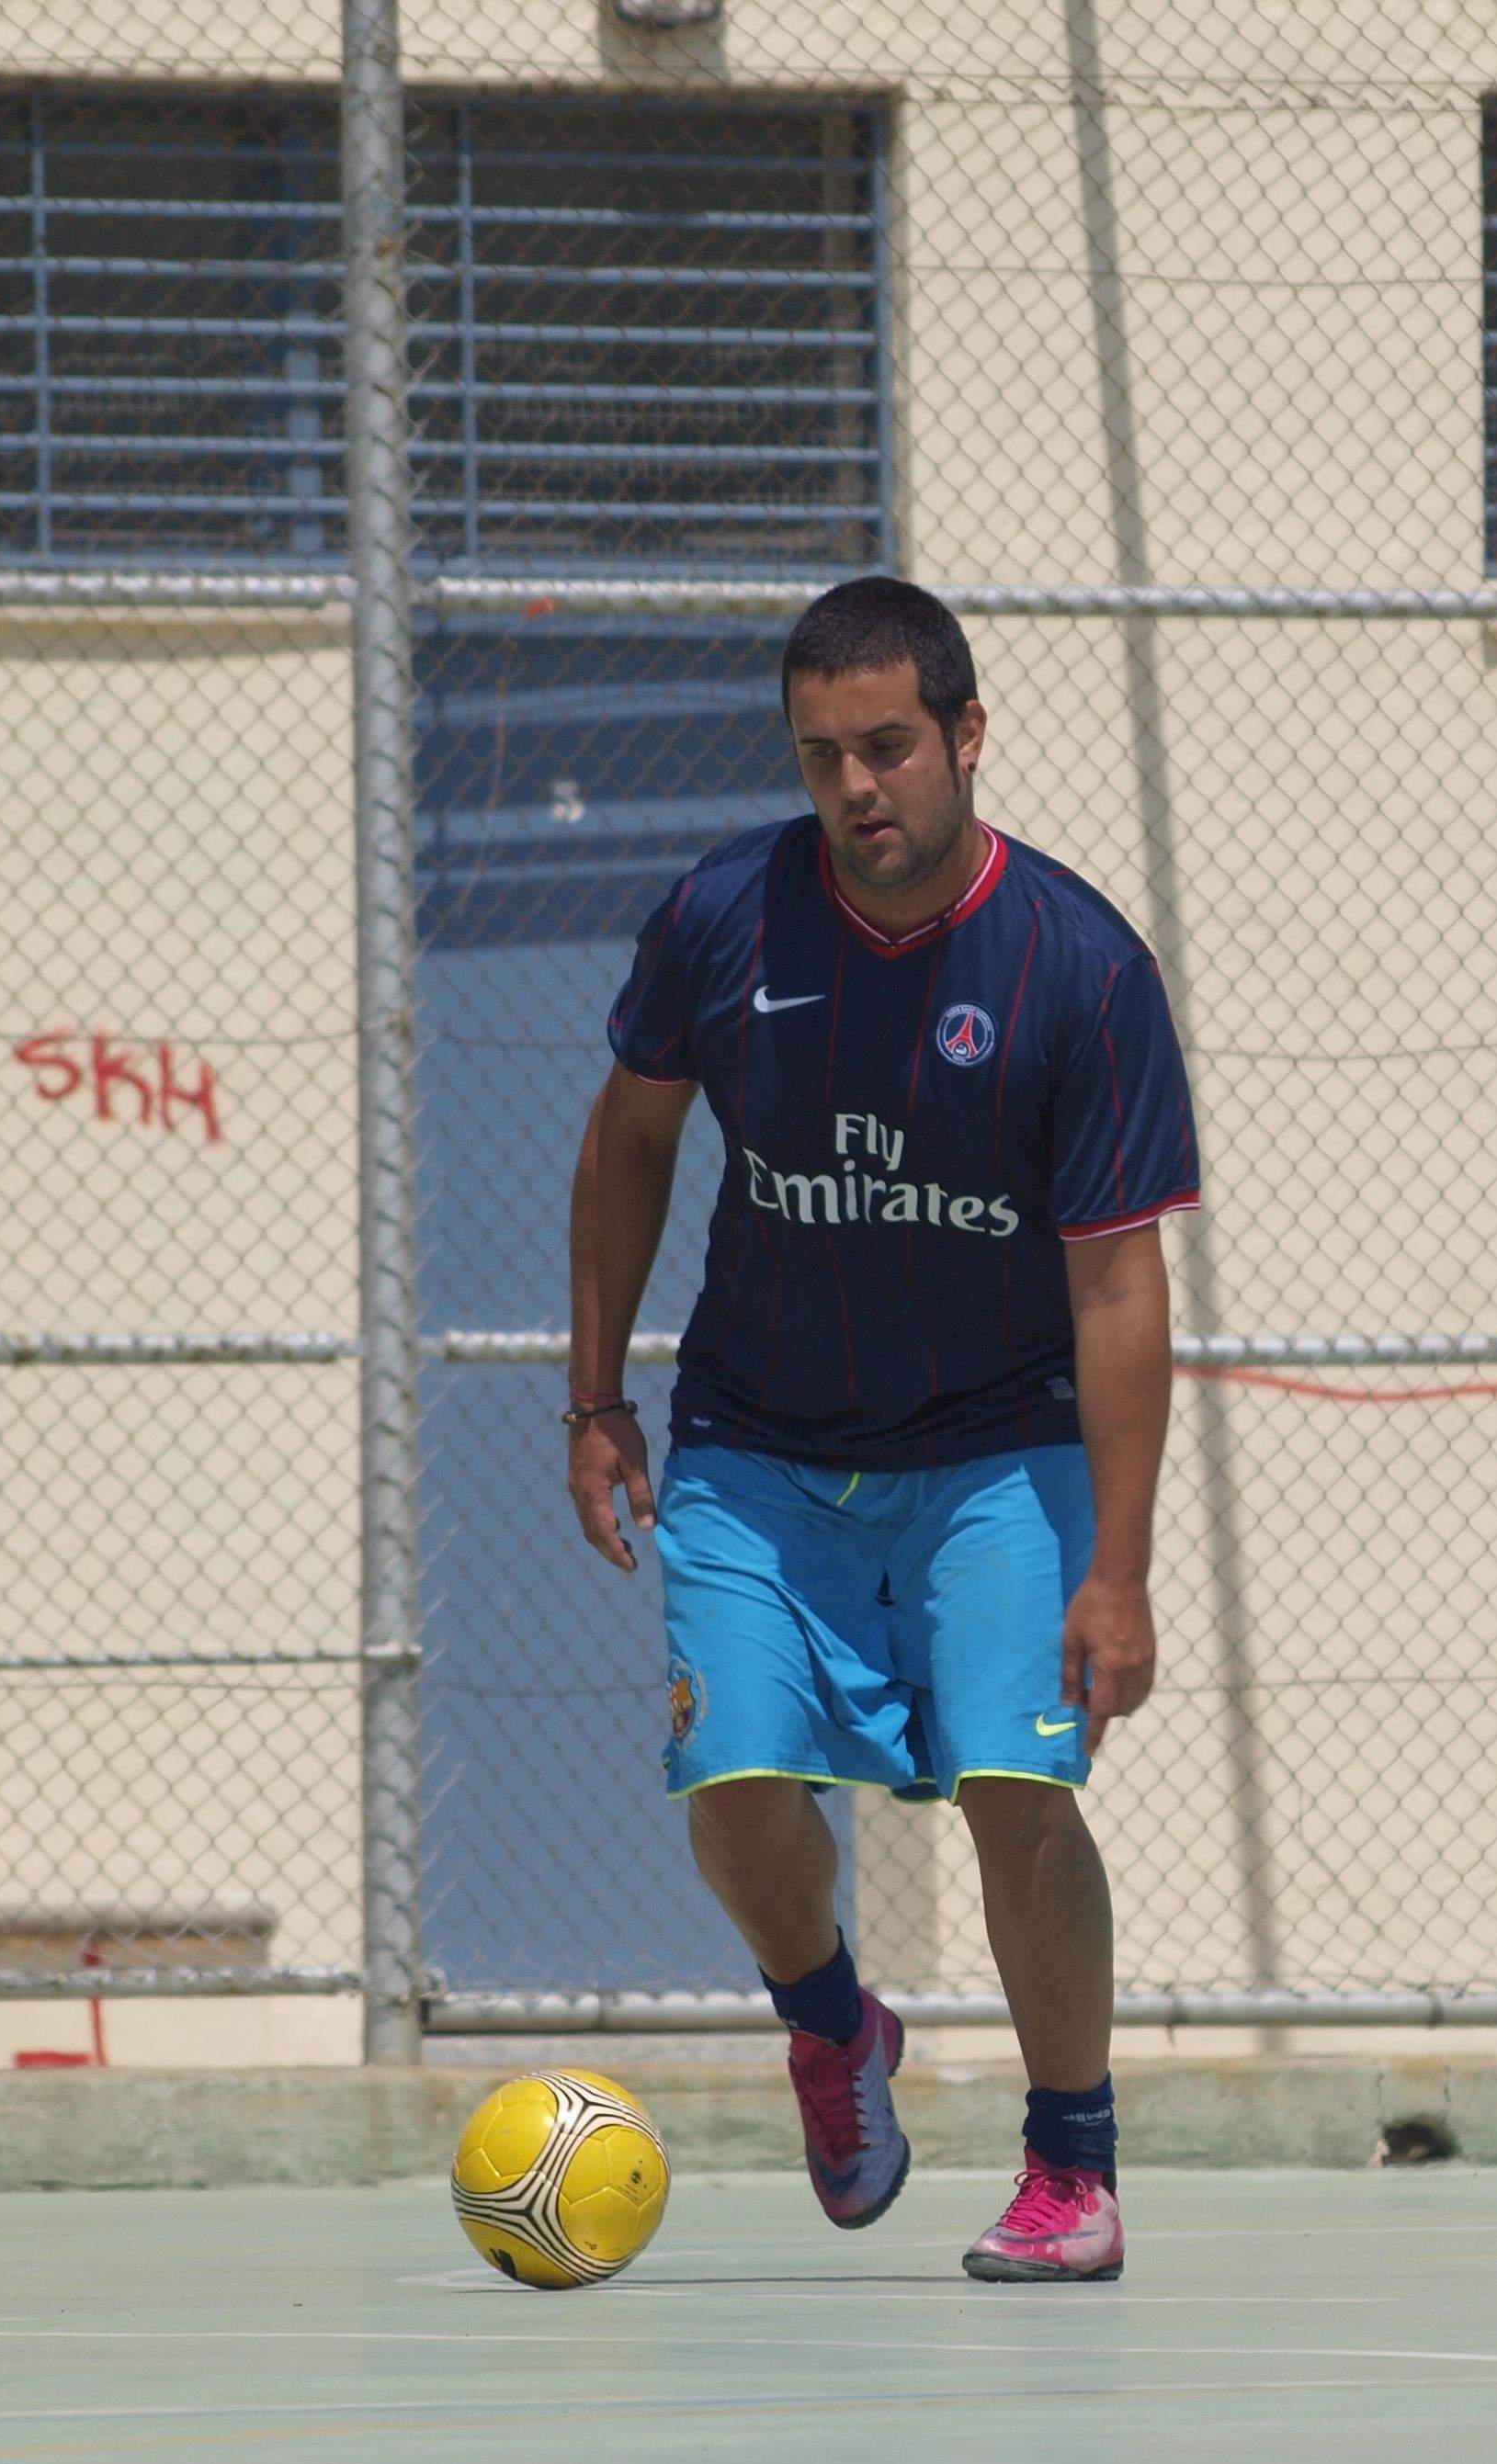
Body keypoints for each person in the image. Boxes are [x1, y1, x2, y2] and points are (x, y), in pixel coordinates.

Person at [562, 575, 1198, 2283]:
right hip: (760, 1448)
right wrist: (598, 1396)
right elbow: (628, 1142)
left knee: (1019, 1788)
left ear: (967, 737)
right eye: (823, 754)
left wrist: (1118, 1569)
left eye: (892, 746)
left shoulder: (1079, 966)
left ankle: (1072, 2168)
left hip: (1002, 1450)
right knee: (733, 1785)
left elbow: (1121, 1291)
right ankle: (836, 2027)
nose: (859, 786)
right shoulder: (725, 920)